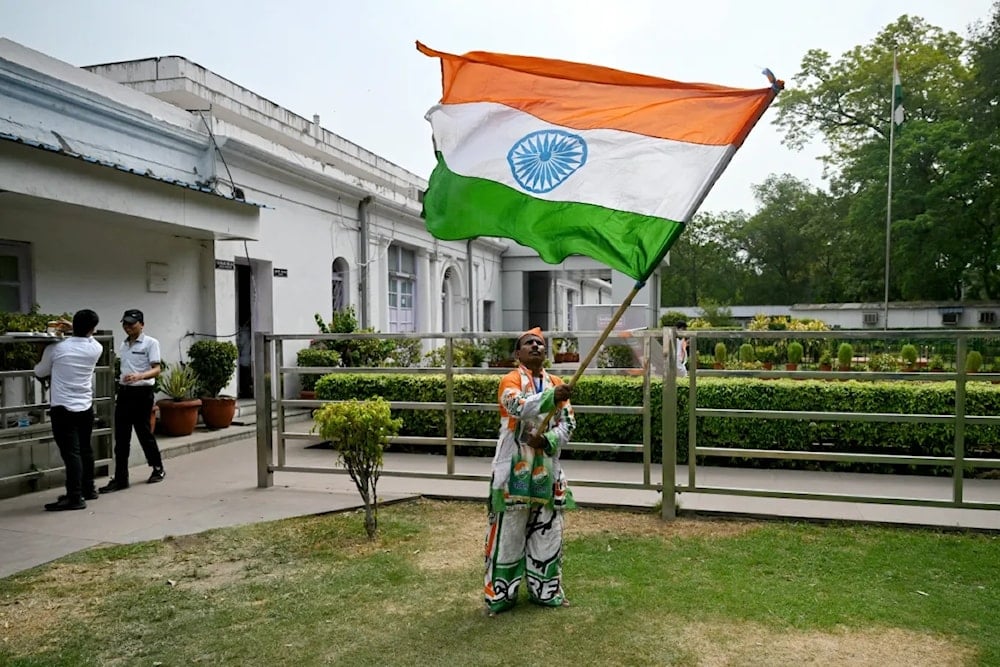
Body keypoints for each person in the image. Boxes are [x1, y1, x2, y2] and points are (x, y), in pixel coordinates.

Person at [483, 326, 575, 615]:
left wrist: (547, 439)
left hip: (547, 468)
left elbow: (568, 424)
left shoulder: (557, 382)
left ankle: (546, 591)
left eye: (539, 343)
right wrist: (551, 398)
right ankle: (501, 595)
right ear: (517, 354)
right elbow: (517, 407)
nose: (535, 346)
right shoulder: (509, 381)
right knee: (508, 533)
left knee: (548, 531)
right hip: (513, 469)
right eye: (528, 343)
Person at [34, 309, 103, 511]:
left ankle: (74, 497)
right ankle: (88, 489)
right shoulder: (96, 348)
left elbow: (40, 371)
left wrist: (41, 349)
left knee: (71, 453)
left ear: (73, 324)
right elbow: (88, 337)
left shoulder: (56, 349)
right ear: (93, 329)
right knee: (85, 449)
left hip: (63, 408)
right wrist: (76, 328)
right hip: (85, 405)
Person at [100, 309, 165, 493]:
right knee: (121, 437)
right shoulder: (123, 345)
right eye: (125, 324)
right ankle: (121, 478)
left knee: (144, 432)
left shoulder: (151, 343)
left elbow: (157, 369)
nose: (127, 327)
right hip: (125, 393)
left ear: (142, 325)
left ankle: (157, 467)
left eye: (132, 323)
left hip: (142, 393)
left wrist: (140, 376)